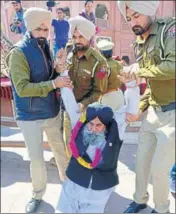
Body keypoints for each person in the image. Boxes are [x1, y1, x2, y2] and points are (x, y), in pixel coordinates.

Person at [53, 46, 140, 212]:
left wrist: (131, 85)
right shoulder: (80, 124)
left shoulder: (115, 130)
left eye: (98, 125)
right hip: (71, 187)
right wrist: (63, 70)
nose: (93, 129)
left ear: (106, 127)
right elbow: (69, 99)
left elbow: (130, 110)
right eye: (91, 124)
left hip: (98, 194)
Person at [6, 7, 72, 213]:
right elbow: (23, 89)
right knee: (36, 160)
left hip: (51, 112)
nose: (43, 33)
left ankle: (70, 189)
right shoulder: (18, 53)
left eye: (46, 29)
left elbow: (48, 74)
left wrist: (59, 64)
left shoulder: (45, 46)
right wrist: (55, 84)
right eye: (39, 29)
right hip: (30, 116)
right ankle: (37, 194)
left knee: (61, 153)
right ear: (29, 28)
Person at [117, 1, 175, 213]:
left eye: (137, 15)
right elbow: (151, 84)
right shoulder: (139, 43)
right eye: (129, 18)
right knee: (141, 163)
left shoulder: (169, 30)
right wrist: (140, 110)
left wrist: (139, 69)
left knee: (160, 171)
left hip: (173, 113)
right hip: (153, 112)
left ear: (150, 10)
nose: (133, 22)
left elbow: (173, 66)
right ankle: (140, 199)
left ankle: (162, 209)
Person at [56, 15, 109, 160]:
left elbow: (99, 91)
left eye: (81, 37)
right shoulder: (68, 53)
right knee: (69, 147)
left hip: (87, 114)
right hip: (68, 109)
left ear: (89, 38)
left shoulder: (99, 62)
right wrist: (58, 64)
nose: (77, 40)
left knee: (86, 149)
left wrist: (83, 104)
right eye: (74, 36)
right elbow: (60, 73)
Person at [96, 39, 124, 111]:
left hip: (107, 98)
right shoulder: (118, 63)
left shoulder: (102, 66)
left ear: (101, 53)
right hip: (119, 95)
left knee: (104, 121)